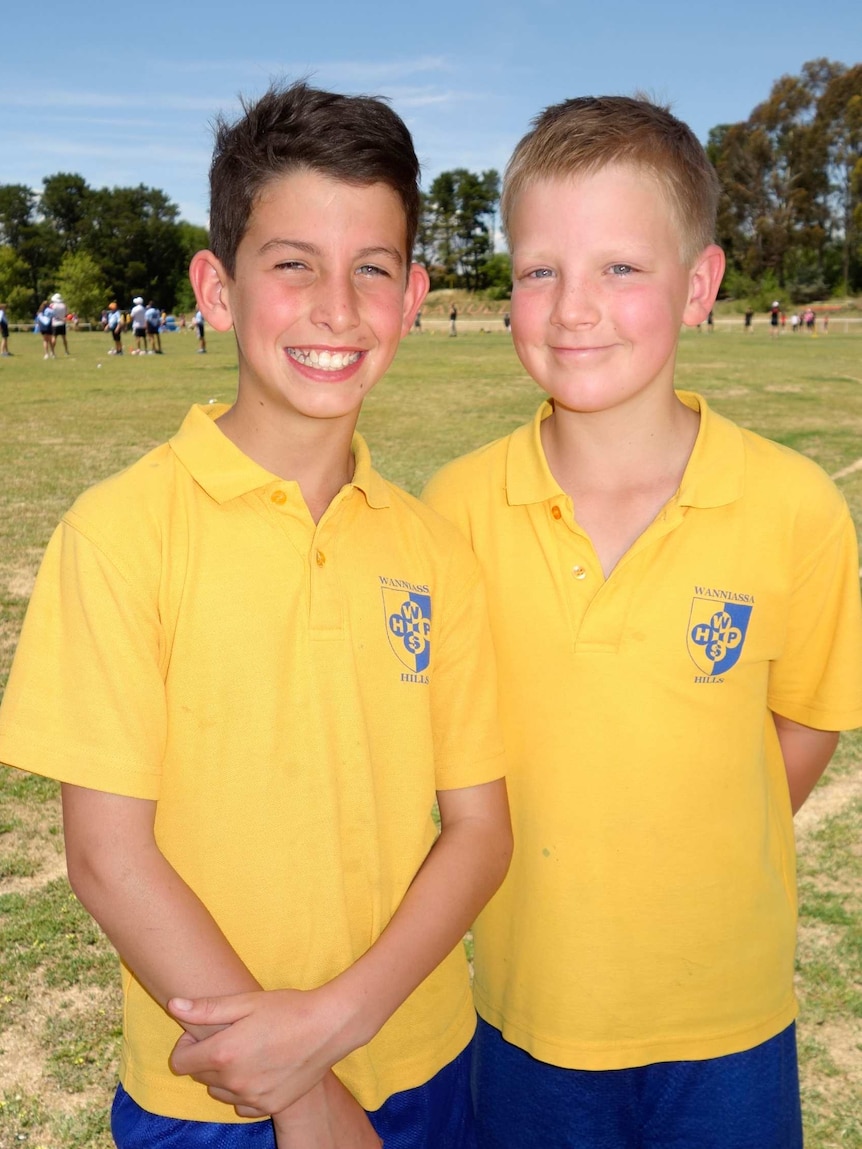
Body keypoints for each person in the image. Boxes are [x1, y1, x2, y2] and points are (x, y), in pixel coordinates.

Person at [0, 80, 512, 1149]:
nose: (337, 308)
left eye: (371, 268)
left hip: (425, 1063)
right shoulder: (120, 534)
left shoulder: (434, 552)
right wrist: (303, 1092)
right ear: (218, 288)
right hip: (215, 1093)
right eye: (293, 265)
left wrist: (338, 1023)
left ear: (413, 296)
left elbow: (477, 829)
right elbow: (108, 858)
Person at [423, 95, 862, 1149]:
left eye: (621, 267)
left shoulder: (796, 504)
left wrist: (689, 826)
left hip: (727, 1024)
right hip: (526, 1019)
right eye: (539, 270)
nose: (574, 306)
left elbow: (803, 728)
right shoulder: (453, 511)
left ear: (699, 287)